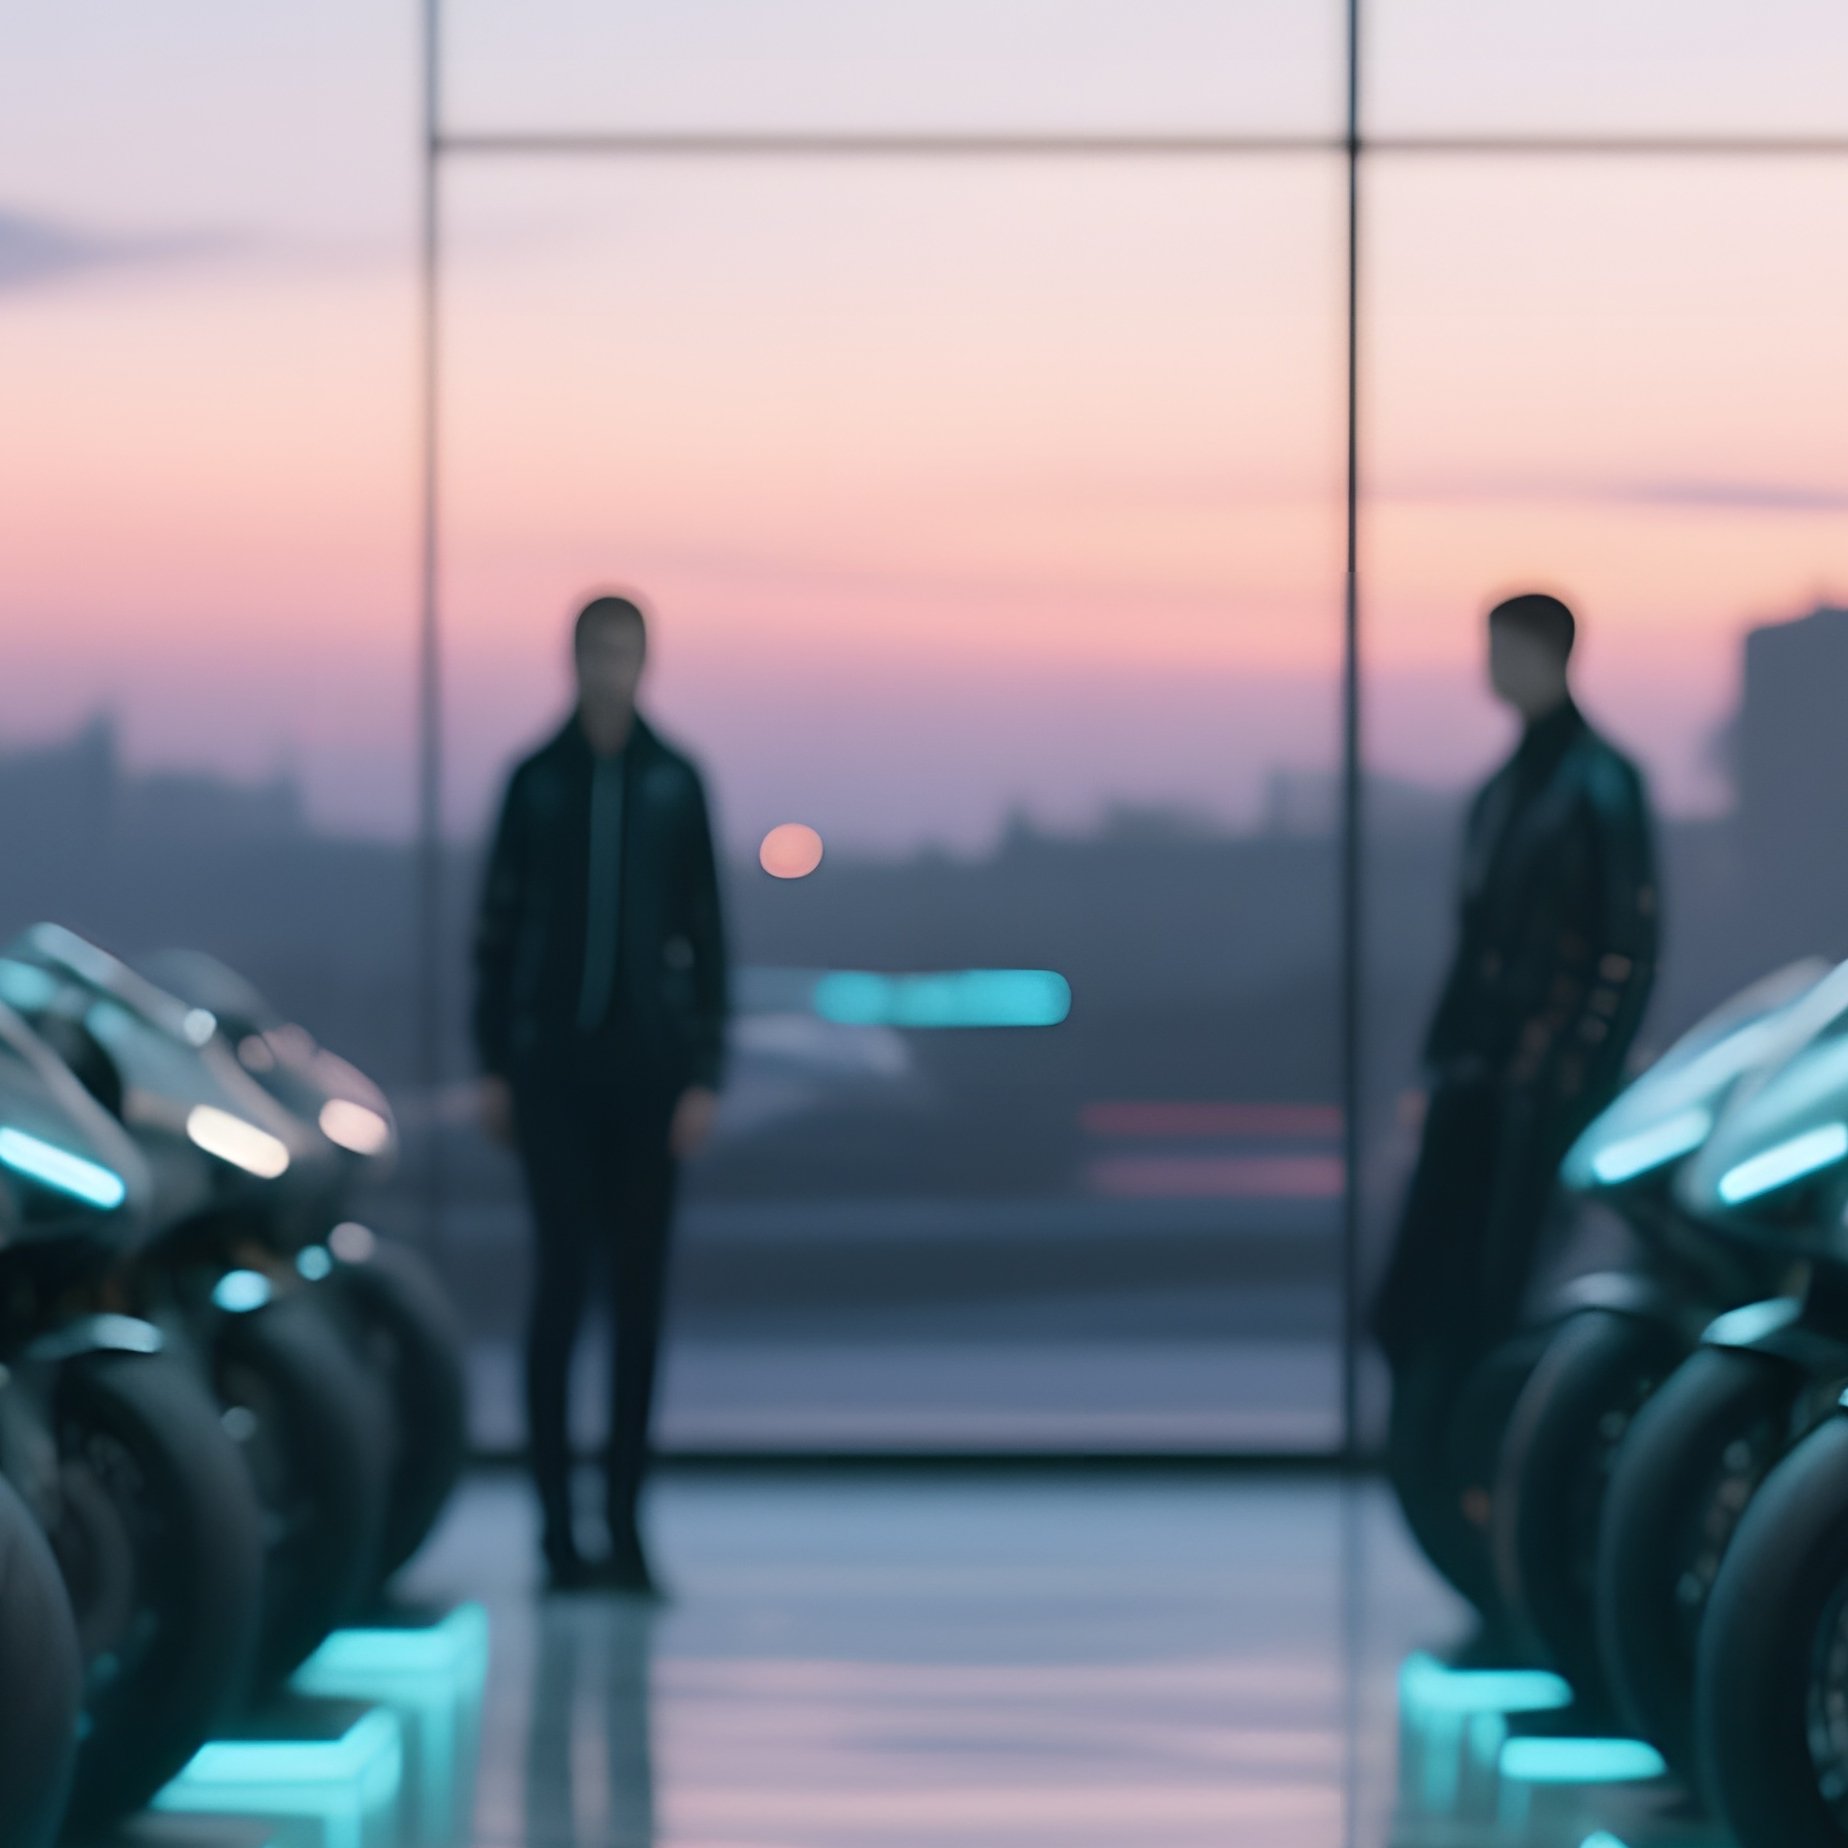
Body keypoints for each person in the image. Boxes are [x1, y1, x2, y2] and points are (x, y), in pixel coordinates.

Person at [1372, 591, 1658, 1623]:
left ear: (1545, 652)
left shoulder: (1593, 784)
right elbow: (1483, 950)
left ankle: (1506, 1518)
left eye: (1500, 649)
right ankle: (1475, 1509)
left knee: (1486, 1300)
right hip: (1478, 1091)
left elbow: (1621, 951)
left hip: (1526, 1101)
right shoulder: (1511, 790)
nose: (1487, 667)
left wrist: (1567, 1082)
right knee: (1426, 1306)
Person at [473, 592, 728, 1594]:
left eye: (624, 652)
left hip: (650, 1075)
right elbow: (497, 929)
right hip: (552, 1074)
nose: (609, 669)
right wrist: (496, 1058)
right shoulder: (536, 783)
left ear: (646, 660)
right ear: (572, 659)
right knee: (560, 1288)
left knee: (639, 1303)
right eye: (595, 651)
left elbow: (706, 934)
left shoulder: (675, 782)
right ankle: (554, 1533)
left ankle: (624, 1528)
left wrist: (703, 1072)